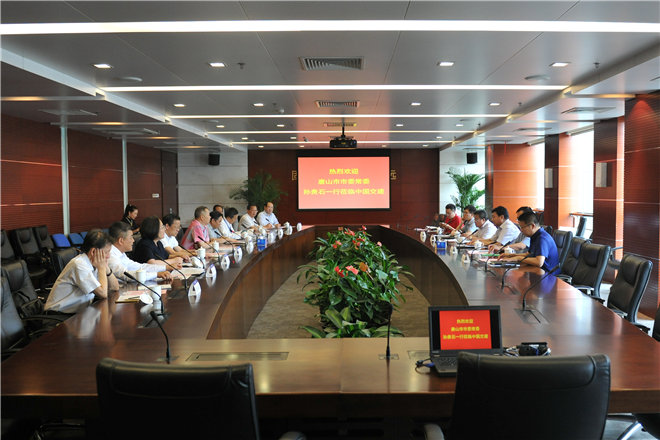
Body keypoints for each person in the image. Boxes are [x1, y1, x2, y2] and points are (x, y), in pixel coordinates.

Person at [45, 230, 119, 314]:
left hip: (80, 312)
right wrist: (102, 268)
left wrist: (107, 268)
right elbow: (103, 294)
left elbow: (115, 287)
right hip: (59, 314)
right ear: (93, 252)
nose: (109, 256)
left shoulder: (95, 263)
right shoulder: (79, 264)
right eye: (106, 252)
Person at [107, 221, 172, 283]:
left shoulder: (121, 253)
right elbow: (127, 275)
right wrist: (156, 274)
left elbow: (140, 267)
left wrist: (165, 267)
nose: (133, 240)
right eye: (131, 237)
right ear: (121, 241)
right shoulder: (110, 255)